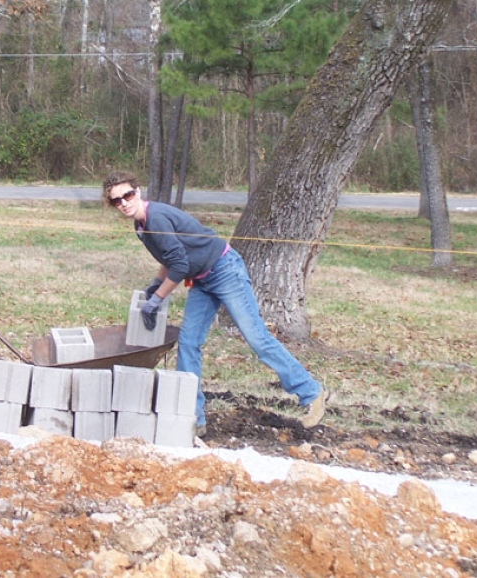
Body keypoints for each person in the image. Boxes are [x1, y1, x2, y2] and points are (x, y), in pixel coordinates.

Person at [103, 171, 328, 436]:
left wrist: (157, 299)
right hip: (202, 280)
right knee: (188, 342)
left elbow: (179, 264)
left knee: (257, 338)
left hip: (224, 270)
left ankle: (311, 393)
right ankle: (192, 417)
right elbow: (169, 256)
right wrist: (155, 284)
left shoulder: (157, 218)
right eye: (117, 201)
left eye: (127, 195)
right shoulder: (141, 225)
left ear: (138, 192)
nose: (124, 203)